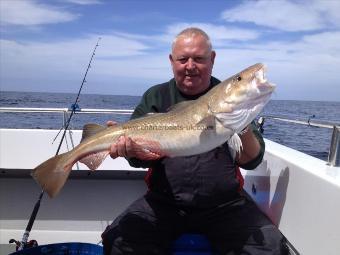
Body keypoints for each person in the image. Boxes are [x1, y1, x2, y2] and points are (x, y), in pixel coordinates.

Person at [102, 27, 287, 255]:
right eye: (183, 59)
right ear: (172, 61)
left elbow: (251, 161)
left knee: (268, 246)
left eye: (199, 59)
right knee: (121, 240)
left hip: (225, 205)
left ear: (212, 59)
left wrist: (242, 124)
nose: (190, 66)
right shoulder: (155, 96)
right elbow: (138, 162)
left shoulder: (228, 99)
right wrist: (132, 152)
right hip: (164, 203)